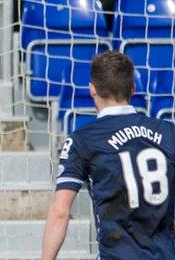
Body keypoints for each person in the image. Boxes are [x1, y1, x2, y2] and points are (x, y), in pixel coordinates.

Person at [42, 51, 175, 259]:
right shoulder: (168, 132)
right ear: (132, 88)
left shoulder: (82, 140)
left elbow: (60, 211)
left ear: (92, 90)